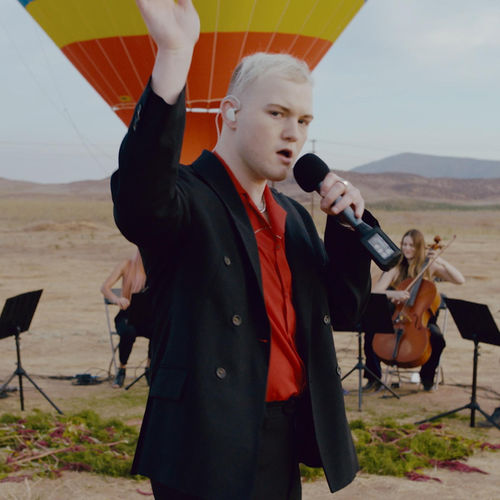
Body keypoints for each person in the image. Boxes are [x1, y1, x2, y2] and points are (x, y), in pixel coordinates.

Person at [111, 1, 379, 498]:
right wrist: (174, 54)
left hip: (281, 436)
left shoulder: (295, 219)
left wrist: (347, 232)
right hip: (202, 441)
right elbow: (140, 201)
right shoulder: (187, 198)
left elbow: (343, 309)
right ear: (230, 112)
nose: (293, 132)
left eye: (304, 120)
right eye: (277, 113)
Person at [363, 229, 465, 392]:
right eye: (404, 244)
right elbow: (376, 292)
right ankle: (373, 377)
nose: (407, 248)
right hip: (397, 316)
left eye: (411, 245)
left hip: (422, 321)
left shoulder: (430, 266)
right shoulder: (396, 266)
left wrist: (441, 261)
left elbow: (460, 280)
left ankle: (427, 378)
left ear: (419, 247)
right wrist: (394, 294)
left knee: (438, 339)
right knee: (371, 332)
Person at [100, 248, 149, 388]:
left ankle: (149, 368)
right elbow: (105, 288)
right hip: (127, 313)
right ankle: (122, 369)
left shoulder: (155, 267)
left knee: (161, 330)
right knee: (128, 332)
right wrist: (117, 299)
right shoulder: (127, 265)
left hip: (147, 315)